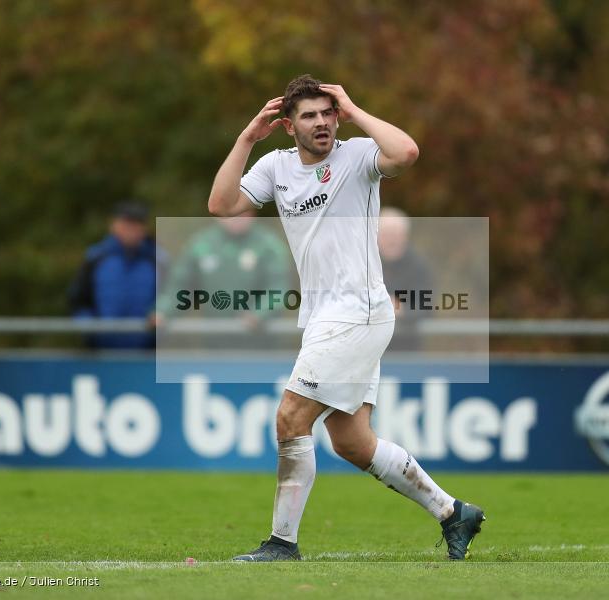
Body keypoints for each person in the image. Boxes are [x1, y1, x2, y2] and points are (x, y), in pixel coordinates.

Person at [207, 74, 485, 561]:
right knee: (354, 444)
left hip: (357, 311)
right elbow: (221, 205)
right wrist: (246, 140)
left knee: (291, 416)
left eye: (327, 113)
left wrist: (355, 110)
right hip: (324, 316)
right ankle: (452, 511)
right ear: (289, 126)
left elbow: (408, 153)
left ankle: (281, 543)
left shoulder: (357, 155)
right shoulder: (275, 166)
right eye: (309, 116)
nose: (321, 123)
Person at [152, 212, 293, 348]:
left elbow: (278, 288)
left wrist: (259, 313)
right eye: (232, 211)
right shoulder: (202, 243)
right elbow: (179, 285)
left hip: (260, 344)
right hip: (214, 344)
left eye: (243, 212)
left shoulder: (269, 244)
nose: (237, 218)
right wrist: (163, 311)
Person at [68, 201, 162, 349]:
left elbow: (169, 298)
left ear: (144, 228)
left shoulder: (157, 260)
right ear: (114, 225)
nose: (131, 230)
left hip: (146, 354)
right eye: (126, 223)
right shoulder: (96, 258)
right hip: (101, 353)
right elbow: (78, 301)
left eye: (136, 224)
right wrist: (90, 330)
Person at [379, 206, 435, 351]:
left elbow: (426, 305)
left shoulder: (418, 266)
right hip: (368, 352)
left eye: (397, 235)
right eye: (387, 234)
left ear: (406, 236)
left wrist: (400, 308)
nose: (392, 240)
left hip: (406, 351)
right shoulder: (363, 265)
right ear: (376, 236)